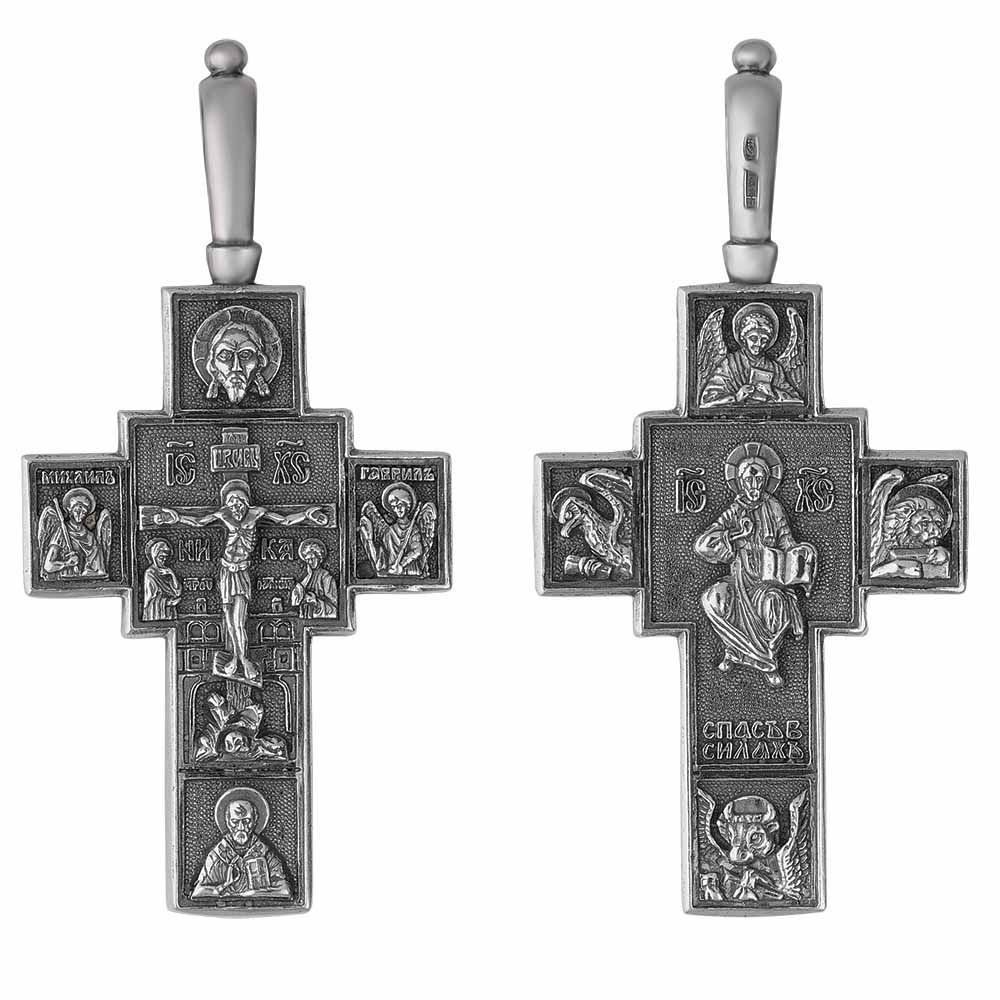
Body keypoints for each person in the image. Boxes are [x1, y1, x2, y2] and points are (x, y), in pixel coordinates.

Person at [149, 480, 327, 683]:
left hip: (242, 572)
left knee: (239, 621)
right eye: (231, 504)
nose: (235, 508)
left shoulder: (257, 513)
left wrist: (306, 514)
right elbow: (198, 522)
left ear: (245, 502)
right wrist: (176, 517)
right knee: (229, 621)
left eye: (238, 503)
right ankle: (236, 657)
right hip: (227, 571)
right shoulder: (224, 514)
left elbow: (285, 521)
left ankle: (244, 660)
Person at [694, 443, 816, 687]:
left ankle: (768, 662)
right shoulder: (734, 511)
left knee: (774, 605)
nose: (754, 485)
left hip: (767, 582)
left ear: (766, 480)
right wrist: (736, 534)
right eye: (748, 479)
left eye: (758, 479)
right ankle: (733, 651)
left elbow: (786, 540)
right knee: (713, 598)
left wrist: (800, 553)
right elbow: (702, 545)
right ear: (740, 482)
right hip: (740, 582)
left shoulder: (774, 507)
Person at [699, 303, 802, 407]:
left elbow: (798, 401)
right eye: (753, 338)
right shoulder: (729, 364)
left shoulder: (775, 368)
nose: (758, 344)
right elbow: (706, 401)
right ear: (743, 338)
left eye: (764, 340)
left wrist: (773, 392)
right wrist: (736, 397)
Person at [191, 792, 291, 899]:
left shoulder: (265, 854)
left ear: (255, 821)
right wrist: (223, 888)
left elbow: (285, 891)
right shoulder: (217, 855)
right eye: (235, 821)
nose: (241, 827)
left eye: (246, 821)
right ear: (227, 822)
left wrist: (253, 894)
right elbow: (198, 892)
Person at [38, 487, 111, 580]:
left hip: (87, 583)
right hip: (64, 582)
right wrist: (67, 563)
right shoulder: (62, 532)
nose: (80, 514)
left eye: (84, 510)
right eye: (77, 509)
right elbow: (48, 566)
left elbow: (100, 570)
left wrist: (90, 571)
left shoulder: (90, 537)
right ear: (69, 510)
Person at [290, 539, 338, 617]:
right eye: (307, 560)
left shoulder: (326, 578)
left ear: (319, 558)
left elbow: (335, 609)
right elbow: (295, 601)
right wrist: (307, 577)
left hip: (320, 619)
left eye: (312, 558)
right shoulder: (305, 575)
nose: (310, 562)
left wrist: (316, 602)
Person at [142, 537, 182, 620]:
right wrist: (168, 602)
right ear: (154, 556)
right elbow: (150, 598)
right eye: (161, 557)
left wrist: (172, 574)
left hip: (169, 611)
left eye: (166, 557)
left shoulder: (167, 571)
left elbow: (177, 592)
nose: (164, 560)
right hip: (156, 612)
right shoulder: (150, 573)